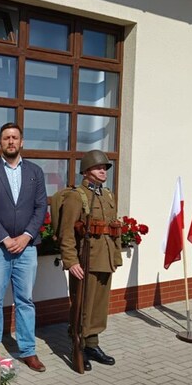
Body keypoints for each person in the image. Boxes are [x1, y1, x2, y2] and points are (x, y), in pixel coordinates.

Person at [0, 122, 48, 372]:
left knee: (25, 300)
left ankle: (28, 350)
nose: (11, 141)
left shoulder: (35, 172)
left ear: (22, 141)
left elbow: (41, 206)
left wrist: (26, 236)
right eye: (6, 137)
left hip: (27, 247)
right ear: (0, 142)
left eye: (15, 137)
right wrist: (5, 238)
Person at [57, 150, 122, 370]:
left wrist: (116, 257)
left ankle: (92, 345)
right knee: (82, 306)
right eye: (98, 167)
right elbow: (66, 232)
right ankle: (79, 345)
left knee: (99, 307)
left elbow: (114, 228)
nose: (103, 171)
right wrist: (71, 262)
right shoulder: (77, 196)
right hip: (86, 261)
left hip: (105, 259)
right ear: (86, 171)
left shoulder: (108, 195)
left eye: (105, 168)